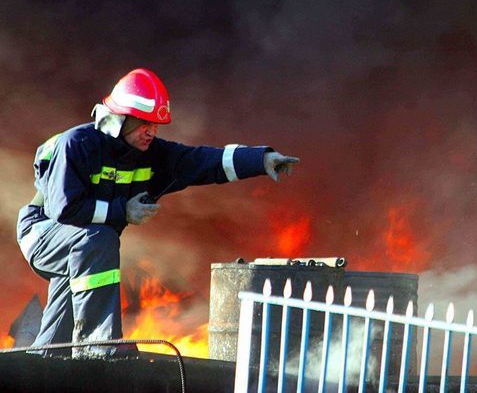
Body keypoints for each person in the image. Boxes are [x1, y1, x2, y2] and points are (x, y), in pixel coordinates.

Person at [15, 68, 299, 358]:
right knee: (99, 239)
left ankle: (43, 359)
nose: (151, 131)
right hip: (42, 230)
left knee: (58, 337)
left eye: (156, 124)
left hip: (82, 248)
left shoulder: (153, 154)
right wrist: (122, 211)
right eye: (143, 122)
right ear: (119, 119)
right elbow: (65, 208)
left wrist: (260, 159)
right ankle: (97, 343)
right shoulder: (77, 144)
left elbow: (203, 160)